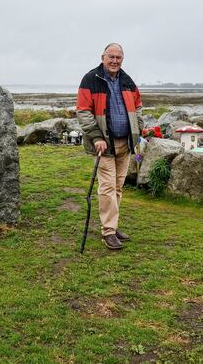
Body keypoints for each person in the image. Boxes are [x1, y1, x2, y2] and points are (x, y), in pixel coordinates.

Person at [76, 43, 144, 250]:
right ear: (103, 57)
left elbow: (138, 106)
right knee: (107, 188)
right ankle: (108, 232)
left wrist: (138, 129)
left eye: (119, 57)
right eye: (111, 57)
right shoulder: (90, 80)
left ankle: (112, 226)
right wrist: (96, 136)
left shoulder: (127, 81)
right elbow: (83, 111)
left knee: (117, 187)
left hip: (126, 142)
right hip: (104, 144)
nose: (115, 60)